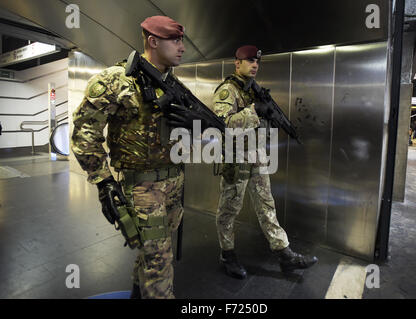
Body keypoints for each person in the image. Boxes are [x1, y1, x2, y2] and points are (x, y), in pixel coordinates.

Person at [72, 16, 192, 299]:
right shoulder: (115, 80)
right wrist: (104, 182)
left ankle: (139, 294)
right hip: (143, 189)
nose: (182, 48)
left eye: (182, 40)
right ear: (153, 41)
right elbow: (84, 132)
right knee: (160, 264)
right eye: (175, 41)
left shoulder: (172, 84)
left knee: (154, 256)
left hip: (174, 182)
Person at [211, 45, 318, 279]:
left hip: (257, 156)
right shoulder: (228, 90)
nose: (255, 65)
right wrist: (254, 110)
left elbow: (258, 124)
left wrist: (266, 115)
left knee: (266, 205)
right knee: (229, 210)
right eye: (249, 61)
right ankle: (227, 253)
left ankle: (283, 252)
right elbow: (222, 124)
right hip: (235, 158)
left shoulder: (254, 90)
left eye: (257, 62)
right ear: (237, 64)